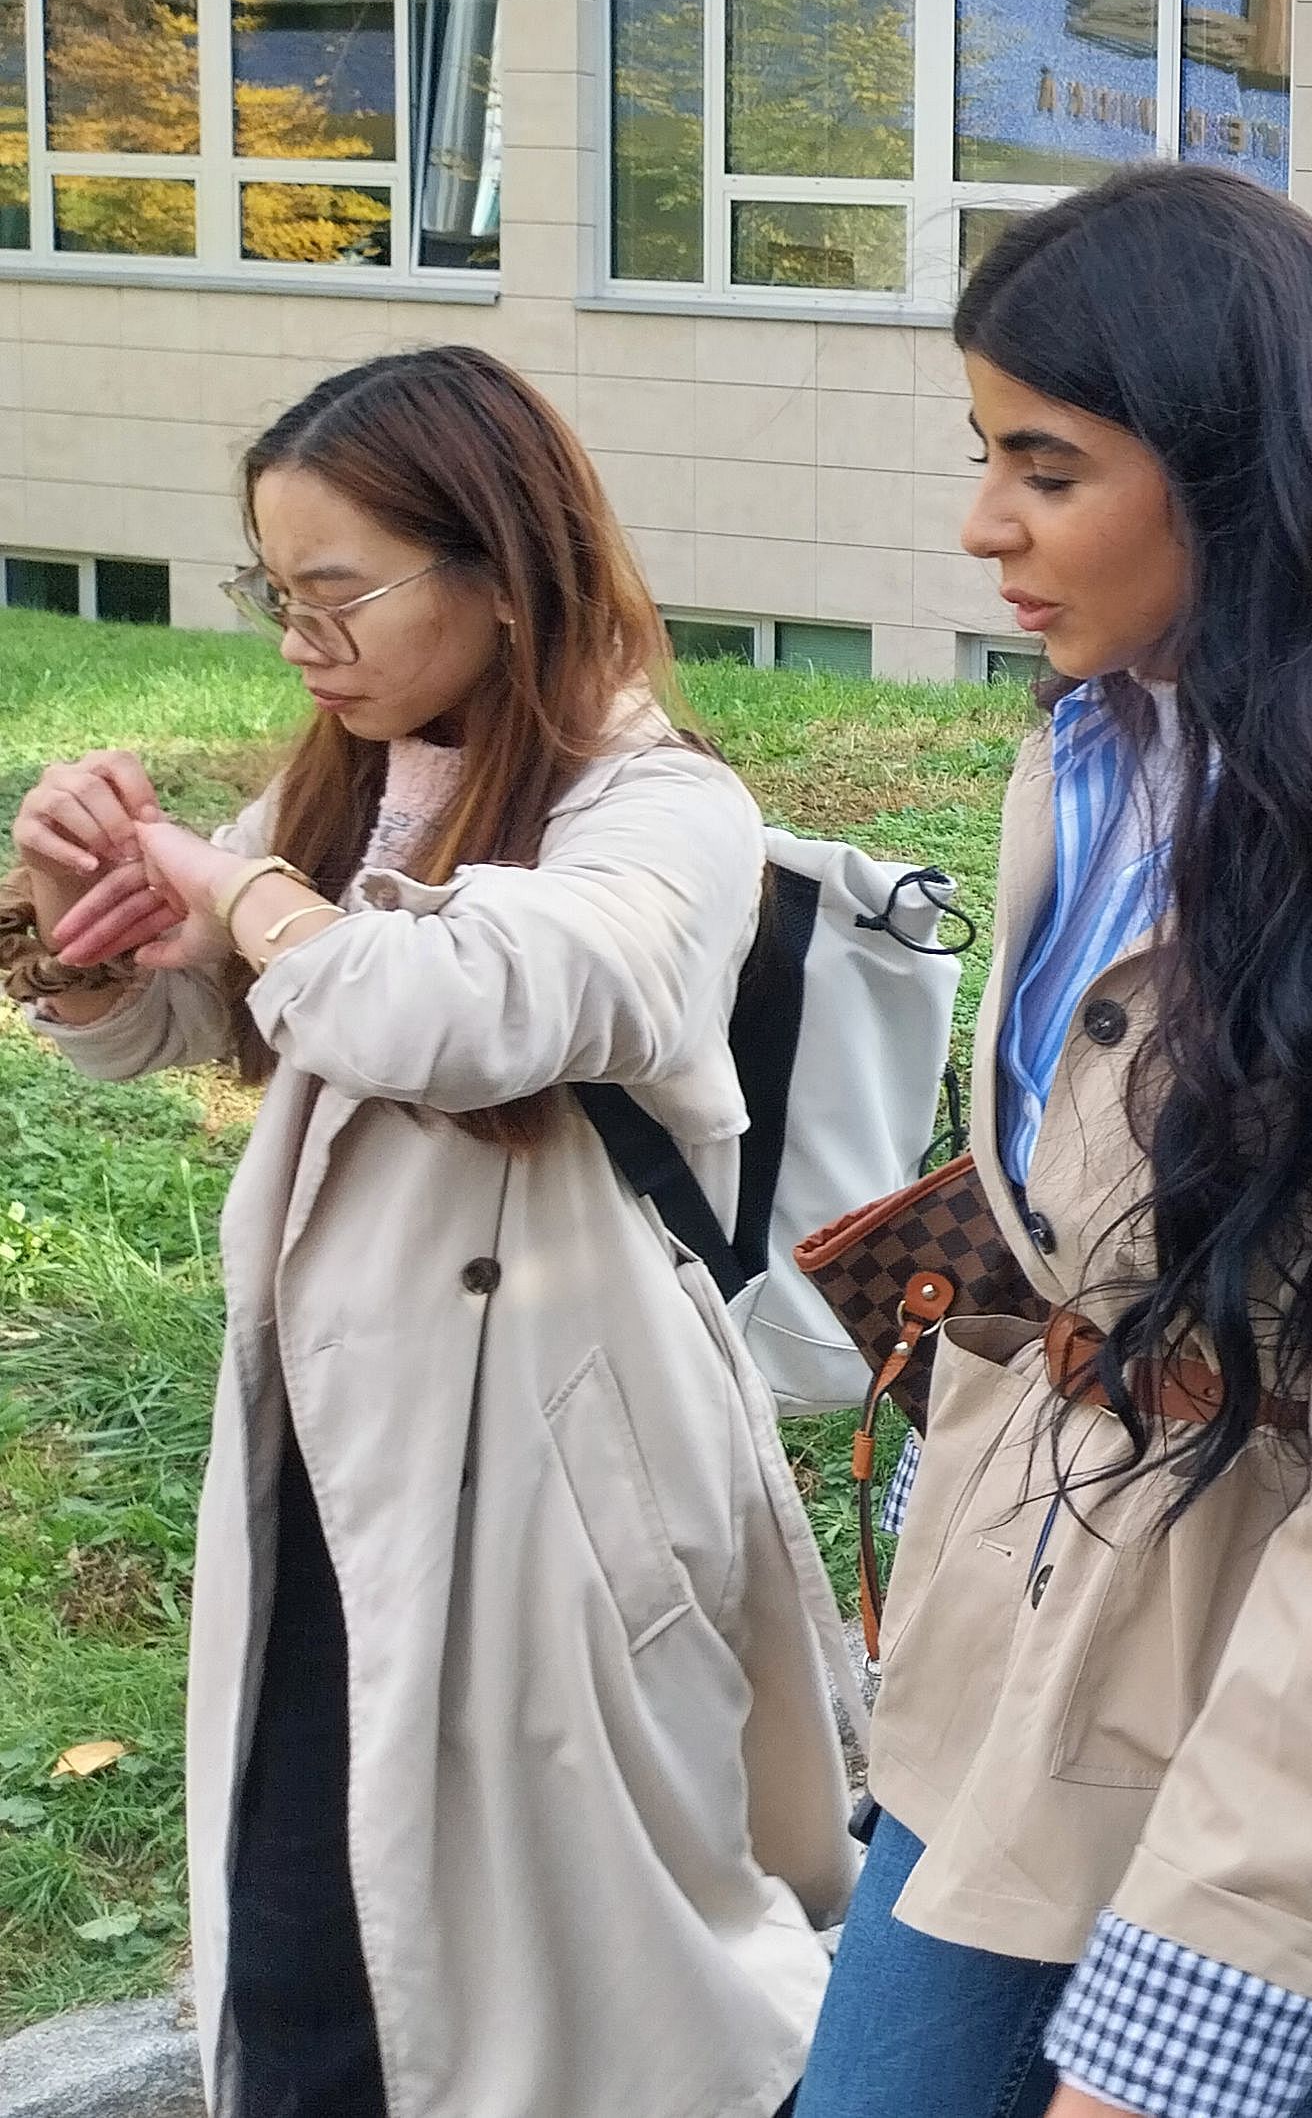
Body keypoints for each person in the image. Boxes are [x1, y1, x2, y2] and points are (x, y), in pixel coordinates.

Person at [794, 166, 1312, 2118]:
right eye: (983, 451)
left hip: (1260, 1776)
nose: (982, 523)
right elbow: (1065, 1220)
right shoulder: (1090, 762)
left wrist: (1182, 2028)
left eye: (1047, 466)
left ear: (1235, 480)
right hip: (1019, 1678)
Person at [15, 345, 855, 2117]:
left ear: (499, 564)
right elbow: (181, 1022)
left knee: (606, 1963)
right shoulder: (354, 774)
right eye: (272, 593)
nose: (295, 642)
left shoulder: (664, 807)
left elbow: (469, 1002)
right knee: (326, 1913)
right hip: (347, 1449)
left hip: (563, 1457)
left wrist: (234, 888)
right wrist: (76, 931)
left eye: (332, 593)